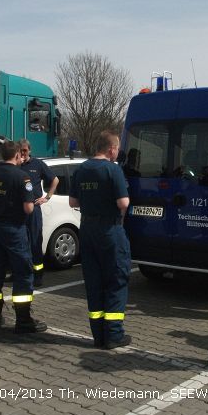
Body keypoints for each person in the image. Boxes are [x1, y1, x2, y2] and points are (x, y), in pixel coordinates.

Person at [69, 131, 131, 349]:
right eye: (117, 149)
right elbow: (123, 203)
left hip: (87, 229)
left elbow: (72, 201)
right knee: (116, 279)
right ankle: (114, 335)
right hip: (109, 229)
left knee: (94, 282)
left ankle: (98, 335)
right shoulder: (112, 170)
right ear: (111, 148)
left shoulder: (81, 169)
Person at [0, 140, 47, 333]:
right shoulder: (22, 177)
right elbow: (28, 208)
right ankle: (23, 321)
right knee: (23, 273)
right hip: (15, 230)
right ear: (17, 155)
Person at [18, 139, 60, 287]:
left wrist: (47, 197)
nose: (22, 153)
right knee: (20, 242)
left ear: (29, 150)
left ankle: (38, 275)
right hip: (18, 209)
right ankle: (19, 272)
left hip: (34, 209)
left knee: (36, 242)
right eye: (20, 150)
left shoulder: (37, 164)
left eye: (25, 150)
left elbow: (55, 180)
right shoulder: (15, 165)